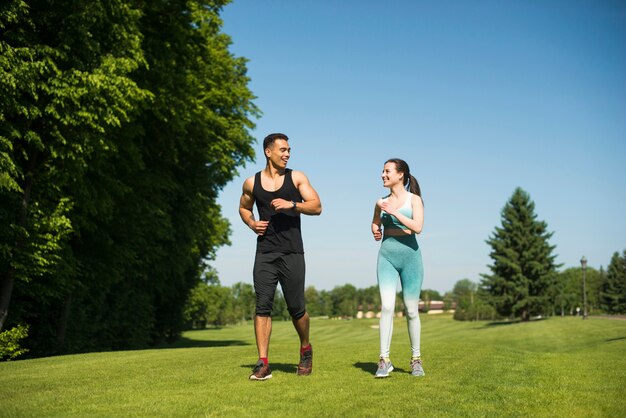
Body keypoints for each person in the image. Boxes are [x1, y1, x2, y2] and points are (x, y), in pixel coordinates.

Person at [239, 133, 322, 381]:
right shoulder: (251, 183)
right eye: (283, 150)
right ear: (268, 152)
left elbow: (317, 206)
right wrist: (252, 223)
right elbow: (243, 207)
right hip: (265, 252)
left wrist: (292, 205)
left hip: (292, 251)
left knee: (296, 309)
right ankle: (263, 363)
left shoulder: (296, 177)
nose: (287, 154)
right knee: (262, 306)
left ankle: (305, 348)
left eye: (289, 151)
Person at [371, 158, 425, 378]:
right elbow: (375, 222)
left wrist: (394, 213)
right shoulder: (380, 201)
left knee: (411, 311)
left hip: (411, 259)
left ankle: (416, 359)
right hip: (387, 258)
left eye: (387, 171)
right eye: (382, 171)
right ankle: (384, 359)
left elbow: (418, 227)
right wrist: (375, 230)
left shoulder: (414, 200)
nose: (383, 175)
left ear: (400, 174)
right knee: (386, 307)